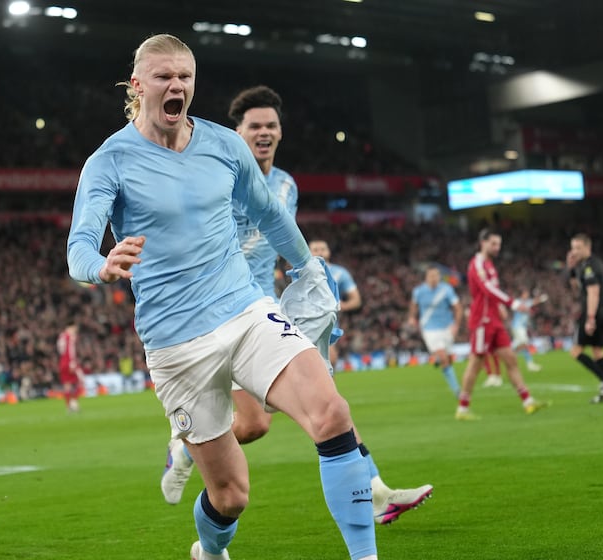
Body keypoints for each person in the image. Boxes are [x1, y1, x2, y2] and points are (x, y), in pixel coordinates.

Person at [68, 34, 378, 560]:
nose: (177, 86)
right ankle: (209, 552)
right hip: (175, 343)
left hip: (246, 309)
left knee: (331, 413)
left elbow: (270, 214)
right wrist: (100, 266)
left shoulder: (223, 144)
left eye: (185, 77)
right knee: (230, 497)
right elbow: (79, 244)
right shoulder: (109, 161)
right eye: (164, 77)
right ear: (137, 85)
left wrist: (307, 269)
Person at [160, 84, 432, 527]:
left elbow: (279, 239)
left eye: (270, 125)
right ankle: (185, 443)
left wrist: (310, 284)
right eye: (254, 126)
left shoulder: (287, 184)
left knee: (327, 400)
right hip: (215, 313)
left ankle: (377, 492)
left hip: (263, 308)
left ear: (280, 132)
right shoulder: (219, 178)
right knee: (252, 427)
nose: (263, 132)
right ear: (238, 133)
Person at [455, 229, 548, 420]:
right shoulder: (477, 264)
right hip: (481, 321)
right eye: (494, 244)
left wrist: (500, 308)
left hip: (494, 320)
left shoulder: (489, 264)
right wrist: (512, 303)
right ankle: (462, 409)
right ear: (483, 242)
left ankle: (528, 401)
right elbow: (487, 289)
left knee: (511, 360)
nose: (497, 248)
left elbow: (492, 291)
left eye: (499, 244)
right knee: (476, 363)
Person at [566, 233, 603, 403]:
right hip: (602, 311)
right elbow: (576, 289)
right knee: (597, 351)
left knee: (576, 352)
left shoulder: (589, 267)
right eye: (573, 248)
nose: (575, 251)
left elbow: (593, 292)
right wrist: (571, 268)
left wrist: (590, 318)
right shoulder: (585, 265)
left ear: (588, 247)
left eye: (578, 248)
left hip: (593, 312)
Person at [408, 267, 463, 397]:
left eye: (436, 276)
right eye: (431, 276)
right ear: (426, 277)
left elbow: (458, 308)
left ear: (439, 277)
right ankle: (457, 391)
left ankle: (440, 360)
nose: (433, 278)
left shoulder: (447, 290)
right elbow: (413, 306)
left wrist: (456, 325)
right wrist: (411, 317)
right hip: (429, 328)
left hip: (446, 327)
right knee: (443, 357)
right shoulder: (419, 291)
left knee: (448, 359)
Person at [308, 240, 361, 370]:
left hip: (327, 324)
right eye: (315, 249)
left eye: (323, 248)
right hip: (304, 322)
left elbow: (356, 300)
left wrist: (337, 305)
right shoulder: (301, 271)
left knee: (330, 361)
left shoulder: (340, 273)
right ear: (308, 252)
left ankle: (328, 390)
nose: (320, 252)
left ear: (329, 252)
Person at [510, 289, 547, 373]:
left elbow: (534, 302)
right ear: (521, 294)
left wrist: (540, 299)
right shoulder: (517, 302)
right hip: (517, 326)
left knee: (524, 344)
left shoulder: (528, 302)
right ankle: (509, 353)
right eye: (525, 294)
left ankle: (529, 363)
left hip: (522, 327)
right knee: (524, 342)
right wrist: (530, 306)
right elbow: (522, 307)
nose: (527, 295)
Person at [57, 321, 86, 412]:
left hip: (62, 362)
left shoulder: (61, 336)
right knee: (81, 381)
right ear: (71, 327)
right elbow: (71, 350)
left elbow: (61, 351)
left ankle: (68, 406)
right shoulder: (70, 337)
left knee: (67, 385)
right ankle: (74, 403)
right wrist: (72, 362)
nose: (76, 330)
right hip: (70, 363)